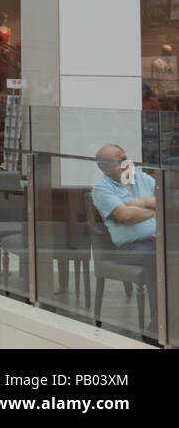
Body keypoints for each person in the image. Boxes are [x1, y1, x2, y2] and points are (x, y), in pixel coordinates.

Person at [92, 143, 159, 337]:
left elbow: (170, 200)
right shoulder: (102, 187)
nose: (126, 162)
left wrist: (141, 204)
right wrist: (156, 208)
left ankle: (166, 318)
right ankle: (158, 322)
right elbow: (125, 216)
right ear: (104, 168)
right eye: (119, 161)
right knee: (161, 259)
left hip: (158, 240)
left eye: (125, 157)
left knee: (167, 255)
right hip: (130, 247)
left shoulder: (143, 178)